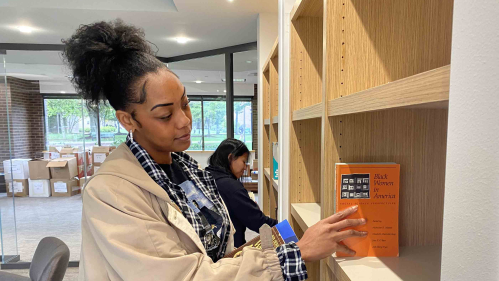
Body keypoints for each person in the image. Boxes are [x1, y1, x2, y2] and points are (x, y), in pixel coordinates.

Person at [64, 19, 367, 281]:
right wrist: (296, 253)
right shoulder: (111, 194)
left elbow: (211, 255)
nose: (185, 122)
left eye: (185, 103)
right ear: (128, 120)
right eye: (165, 115)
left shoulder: (186, 169)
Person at [206, 139, 278, 248]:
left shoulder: (206, 175)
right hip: (231, 249)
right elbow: (258, 222)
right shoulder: (231, 187)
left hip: (213, 246)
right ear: (230, 157)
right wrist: (285, 228)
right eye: (244, 162)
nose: (245, 167)